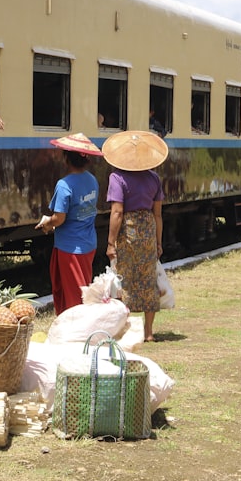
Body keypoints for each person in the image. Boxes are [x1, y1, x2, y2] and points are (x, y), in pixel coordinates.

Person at [102, 130, 168, 342]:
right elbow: (158, 214)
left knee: (125, 280)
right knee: (149, 279)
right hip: (148, 228)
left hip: (128, 231)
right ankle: (149, 332)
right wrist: (158, 242)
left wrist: (111, 242)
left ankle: (125, 329)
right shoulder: (154, 178)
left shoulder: (117, 177)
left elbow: (117, 212)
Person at [35, 133, 103, 315]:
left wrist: (47, 224)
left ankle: (78, 333)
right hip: (88, 244)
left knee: (74, 296)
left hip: (70, 248)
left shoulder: (64, 185)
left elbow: (59, 218)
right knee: (82, 289)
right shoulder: (92, 180)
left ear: (66, 158)